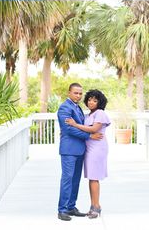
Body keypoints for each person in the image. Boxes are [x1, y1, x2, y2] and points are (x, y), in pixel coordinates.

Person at [56, 83, 103, 222]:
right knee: (67, 179)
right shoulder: (65, 107)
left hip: (80, 150)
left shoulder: (78, 108)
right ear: (69, 93)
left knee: (75, 180)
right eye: (75, 93)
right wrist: (89, 136)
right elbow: (68, 129)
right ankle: (62, 209)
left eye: (80, 93)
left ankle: (71, 207)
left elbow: (81, 126)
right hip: (69, 150)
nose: (78, 95)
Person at [65, 89, 110, 219]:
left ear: (99, 102)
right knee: (91, 178)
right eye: (89, 99)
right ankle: (93, 206)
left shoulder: (100, 113)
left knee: (94, 178)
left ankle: (96, 207)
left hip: (97, 148)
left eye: (95, 100)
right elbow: (86, 130)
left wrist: (75, 124)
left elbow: (94, 129)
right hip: (89, 148)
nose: (91, 102)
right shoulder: (89, 115)